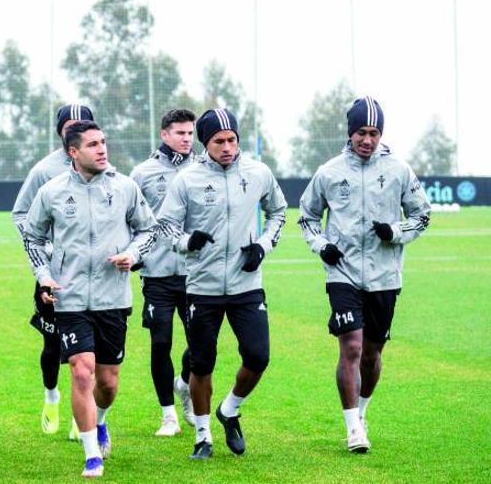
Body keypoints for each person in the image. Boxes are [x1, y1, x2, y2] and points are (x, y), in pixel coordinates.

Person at [22, 120, 157, 478]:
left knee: (107, 381)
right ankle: (91, 455)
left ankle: (100, 422)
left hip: (114, 297)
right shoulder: (51, 191)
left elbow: (149, 230)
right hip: (70, 297)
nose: (102, 149)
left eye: (103, 142)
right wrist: (44, 276)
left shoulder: (125, 187)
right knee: (82, 372)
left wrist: (132, 254)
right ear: (73, 151)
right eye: (93, 144)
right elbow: (32, 238)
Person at [298, 97, 430, 453]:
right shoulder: (329, 171)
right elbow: (307, 218)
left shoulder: (400, 170)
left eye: (373, 133)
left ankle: (363, 410)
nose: (367, 140)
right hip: (342, 273)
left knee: (371, 354)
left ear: (381, 134)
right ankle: (353, 427)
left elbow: (422, 215)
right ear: (349, 133)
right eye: (361, 133)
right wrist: (322, 245)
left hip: (385, 276)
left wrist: (395, 232)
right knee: (352, 346)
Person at [156, 108, 286, 460]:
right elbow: (165, 226)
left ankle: (229, 409)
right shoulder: (187, 179)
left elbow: (279, 212)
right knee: (201, 364)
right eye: (218, 141)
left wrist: (263, 245)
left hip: (247, 284)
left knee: (259, 356)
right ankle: (203, 436)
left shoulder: (258, 172)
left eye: (232, 140)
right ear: (205, 143)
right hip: (202, 286)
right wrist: (186, 241)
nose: (227, 147)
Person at [12, 103, 94, 437]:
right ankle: (51, 396)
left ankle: (82, 417)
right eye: (69, 124)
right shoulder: (44, 171)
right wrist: (45, 249)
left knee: (89, 349)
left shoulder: (102, 166)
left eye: (82, 123)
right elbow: (20, 215)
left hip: (91, 276)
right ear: (59, 130)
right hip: (53, 274)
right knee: (52, 343)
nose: (74, 128)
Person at [129, 108, 197, 437]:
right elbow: (128, 218)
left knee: (201, 345)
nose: (186, 139)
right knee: (161, 342)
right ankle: (168, 415)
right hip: (156, 274)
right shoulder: (142, 173)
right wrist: (134, 253)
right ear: (165, 134)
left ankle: (183, 383)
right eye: (180, 133)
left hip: (197, 273)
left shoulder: (203, 169)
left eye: (190, 133)